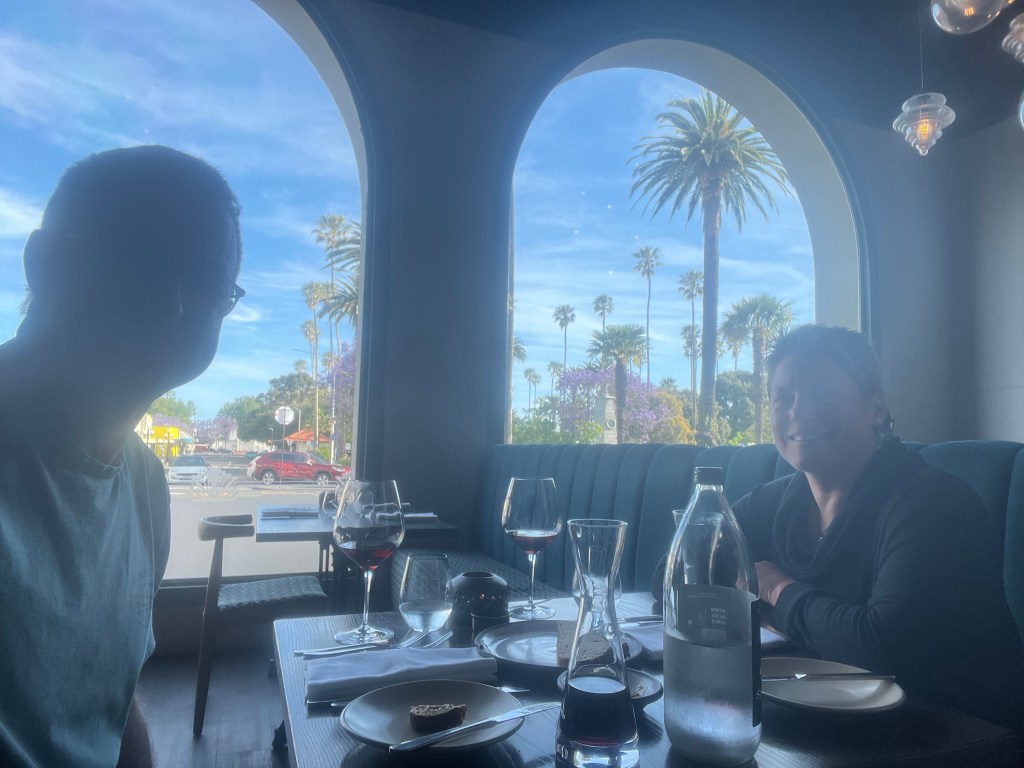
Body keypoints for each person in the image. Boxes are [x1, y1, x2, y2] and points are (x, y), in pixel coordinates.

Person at [0, 146, 243, 767]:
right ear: (43, 265)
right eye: (139, 263)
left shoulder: (144, 483)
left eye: (206, 281)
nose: (173, 304)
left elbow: (109, 697)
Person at [734, 324, 1023, 729]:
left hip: (949, 735)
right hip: (820, 721)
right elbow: (679, 573)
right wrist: (818, 623)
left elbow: (881, 648)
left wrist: (775, 589)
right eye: (784, 397)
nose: (799, 412)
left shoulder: (934, 503)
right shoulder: (777, 500)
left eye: (825, 395)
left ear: (876, 408)